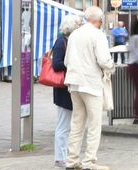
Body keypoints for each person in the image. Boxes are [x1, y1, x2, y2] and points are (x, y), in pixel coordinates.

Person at [64, 6, 115, 170]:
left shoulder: (74, 35)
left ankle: (71, 161)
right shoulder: (97, 35)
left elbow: (66, 61)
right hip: (91, 84)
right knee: (94, 124)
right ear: (99, 21)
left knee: (77, 123)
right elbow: (104, 60)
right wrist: (111, 67)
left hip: (74, 83)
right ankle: (89, 162)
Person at [52, 15, 82, 168]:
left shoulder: (69, 41)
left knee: (69, 125)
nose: (80, 26)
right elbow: (56, 64)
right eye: (78, 24)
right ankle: (59, 157)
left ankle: (66, 156)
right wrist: (71, 63)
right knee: (63, 125)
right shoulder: (61, 42)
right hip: (63, 89)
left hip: (69, 87)